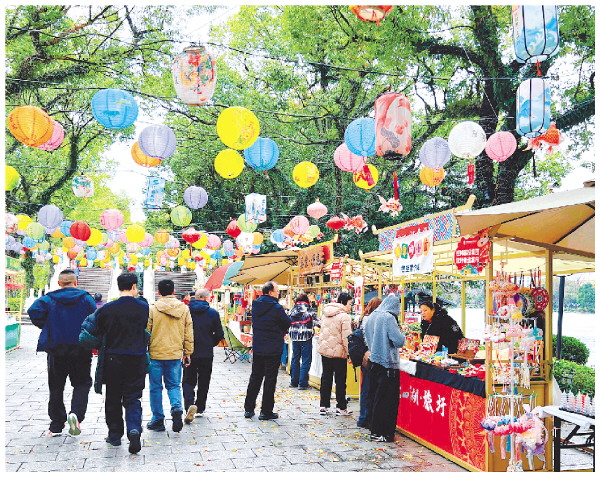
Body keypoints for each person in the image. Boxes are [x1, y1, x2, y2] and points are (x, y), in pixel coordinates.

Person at [79, 273, 149, 454]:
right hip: (136, 358)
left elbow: (93, 330)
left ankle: (115, 435)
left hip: (112, 359)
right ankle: (134, 428)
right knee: (133, 397)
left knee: (113, 398)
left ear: (118, 286)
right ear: (134, 286)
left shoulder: (107, 309)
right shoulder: (143, 308)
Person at [27, 269, 97, 437]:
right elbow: (96, 319)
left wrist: (48, 325)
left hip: (56, 349)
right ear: (75, 282)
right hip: (81, 349)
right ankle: (76, 415)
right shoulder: (86, 298)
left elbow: (33, 311)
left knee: (56, 386)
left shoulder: (49, 299)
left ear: (59, 283)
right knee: (81, 384)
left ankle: (56, 424)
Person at [146, 279, 194, 433]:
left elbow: (146, 332)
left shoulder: (152, 309)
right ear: (174, 291)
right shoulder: (184, 309)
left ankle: (158, 419)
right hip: (174, 353)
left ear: (159, 292)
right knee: (174, 385)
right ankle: (176, 407)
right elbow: (188, 332)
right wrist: (188, 352)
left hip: (156, 354)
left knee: (155, 388)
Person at [244, 281, 291, 420]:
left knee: (255, 377)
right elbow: (287, 322)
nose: (278, 294)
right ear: (270, 292)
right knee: (270, 380)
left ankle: (248, 408)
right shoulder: (276, 307)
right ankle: (266, 411)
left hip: (259, 346)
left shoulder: (256, 305)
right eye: (277, 291)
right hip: (273, 347)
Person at [363, 294, 406, 442]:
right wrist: (402, 334)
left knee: (375, 397)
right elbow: (399, 341)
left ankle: (374, 429)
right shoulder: (388, 318)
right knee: (387, 401)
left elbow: (366, 335)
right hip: (388, 364)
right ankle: (382, 432)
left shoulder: (372, 316)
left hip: (374, 362)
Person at [182, 288, 224, 424]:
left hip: (189, 352)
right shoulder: (213, 313)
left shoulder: (186, 311)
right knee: (204, 380)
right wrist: (210, 343)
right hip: (206, 352)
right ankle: (200, 407)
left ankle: (189, 405)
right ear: (206, 298)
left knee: (188, 380)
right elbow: (219, 334)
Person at [317, 292, 353, 416]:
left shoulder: (326, 313)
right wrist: (349, 352)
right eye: (350, 304)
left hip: (325, 351)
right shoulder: (344, 316)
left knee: (326, 378)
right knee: (340, 380)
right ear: (343, 302)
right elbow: (346, 337)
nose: (350, 307)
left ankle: (323, 405)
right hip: (339, 353)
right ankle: (341, 407)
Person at [356, 296, 382, 429]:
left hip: (363, 356)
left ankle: (363, 417)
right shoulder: (374, 319)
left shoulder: (363, 318)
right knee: (369, 388)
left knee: (365, 387)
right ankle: (366, 418)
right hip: (370, 356)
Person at [288, 294, 318, 390]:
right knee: (306, 360)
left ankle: (294, 382)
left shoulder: (292, 309)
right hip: (306, 337)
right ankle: (303, 383)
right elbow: (318, 322)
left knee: (295, 359)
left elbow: (287, 321)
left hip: (294, 337)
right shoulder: (309, 309)